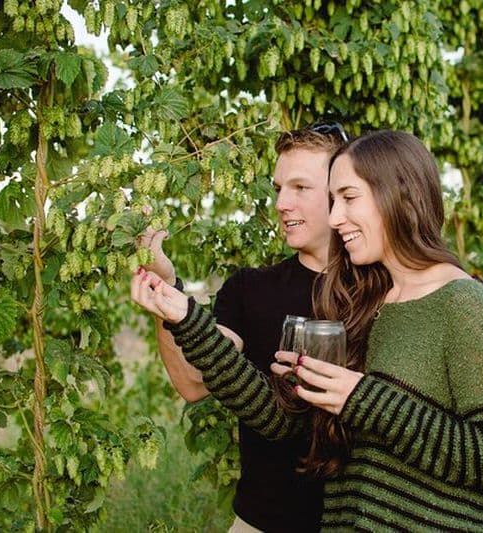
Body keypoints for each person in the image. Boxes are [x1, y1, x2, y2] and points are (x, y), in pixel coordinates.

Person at [135, 130, 483, 532]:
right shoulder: (368, 302)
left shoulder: (462, 303)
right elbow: (284, 422)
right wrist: (185, 318)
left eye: (348, 198)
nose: (336, 217)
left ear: (400, 195)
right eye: (334, 200)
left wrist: (361, 398)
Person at [131, 123, 349, 533]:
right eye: (279, 187)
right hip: (262, 520)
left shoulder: (382, 289)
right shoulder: (252, 288)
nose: (282, 202)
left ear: (340, 195)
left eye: (300, 188)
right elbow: (194, 382)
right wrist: (168, 296)